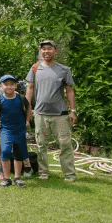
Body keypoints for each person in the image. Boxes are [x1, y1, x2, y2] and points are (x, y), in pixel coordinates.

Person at [27, 40, 77, 182]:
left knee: (65, 144)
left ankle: (69, 175)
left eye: (49, 49)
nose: (46, 51)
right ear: (40, 52)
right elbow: (30, 88)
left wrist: (73, 111)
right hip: (40, 114)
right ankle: (43, 173)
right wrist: (28, 108)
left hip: (60, 115)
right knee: (41, 145)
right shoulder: (35, 68)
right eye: (43, 49)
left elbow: (70, 91)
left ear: (56, 51)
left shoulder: (64, 70)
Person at [0, 74, 33, 187]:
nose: (9, 87)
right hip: (5, 129)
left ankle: (17, 177)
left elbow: (28, 107)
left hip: (19, 129)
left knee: (18, 153)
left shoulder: (20, 98)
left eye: (12, 84)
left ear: (15, 86)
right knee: (5, 151)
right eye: (6, 84)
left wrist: (27, 120)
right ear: (1, 86)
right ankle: (6, 178)